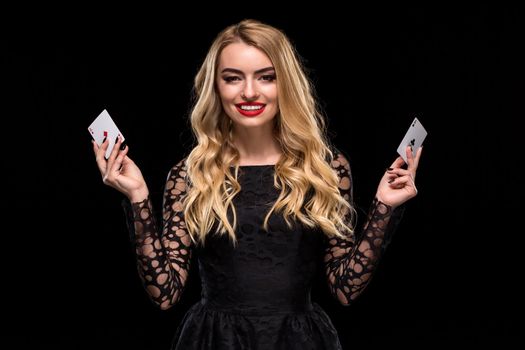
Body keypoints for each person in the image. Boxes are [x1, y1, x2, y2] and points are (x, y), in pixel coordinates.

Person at [92, 19, 422, 350]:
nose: (249, 92)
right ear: (216, 87)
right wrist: (137, 197)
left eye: (266, 77)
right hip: (213, 340)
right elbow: (165, 294)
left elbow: (345, 289)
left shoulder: (326, 168)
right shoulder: (190, 173)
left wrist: (385, 206)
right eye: (233, 78)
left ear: (286, 84)